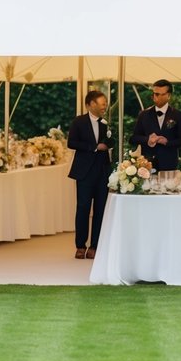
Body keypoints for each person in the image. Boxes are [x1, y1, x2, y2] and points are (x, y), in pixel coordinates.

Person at [67, 89, 113, 259]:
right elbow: (71, 143)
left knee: (100, 210)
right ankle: (80, 245)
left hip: (102, 172)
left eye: (105, 104)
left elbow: (111, 141)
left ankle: (95, 246)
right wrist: (93, 147)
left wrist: (108, 143)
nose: (105, 107)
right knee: (83, 209)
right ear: (91, 104)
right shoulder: (78, 122)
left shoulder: (106, 123)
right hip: (84, 172)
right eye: (102, 104)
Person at [130, 79, 181, 171]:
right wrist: (147, 139)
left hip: (169, 165)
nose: (155, 97)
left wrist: (167, 142)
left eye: (158, 94)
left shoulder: (178, 115)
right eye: (154, 93)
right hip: (146, 165)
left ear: (168, 95)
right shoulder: (144, 114)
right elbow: (133, 138)